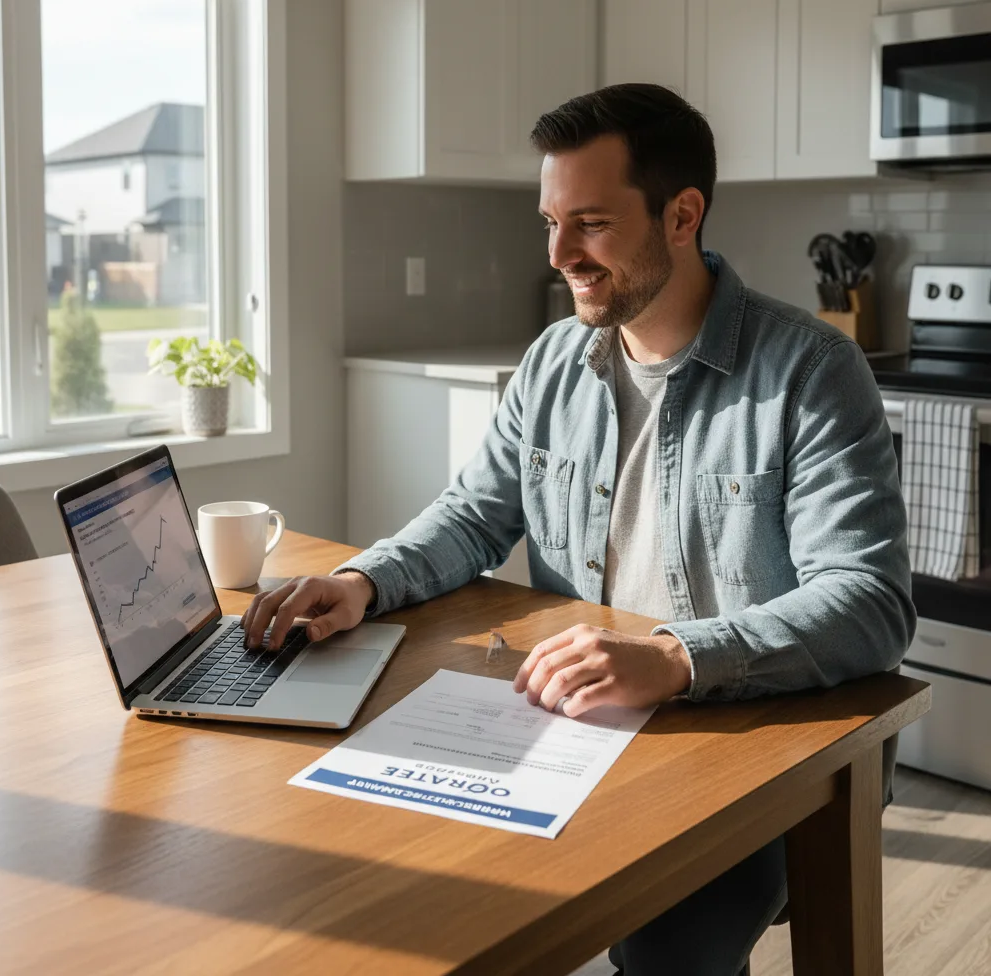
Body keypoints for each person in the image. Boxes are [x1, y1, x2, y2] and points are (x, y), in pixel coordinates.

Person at [241, 83, 914, 976]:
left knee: (667, 943)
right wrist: (365, 581)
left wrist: (676, 658)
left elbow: (868, 602)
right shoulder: (553, 359)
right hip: (577, 733)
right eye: (550, 222)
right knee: (389, 878)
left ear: (683, 215)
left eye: (590, 223)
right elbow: (474, 513)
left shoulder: (811, 372)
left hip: (753, 746)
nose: (561, 253)